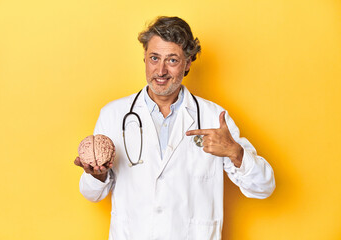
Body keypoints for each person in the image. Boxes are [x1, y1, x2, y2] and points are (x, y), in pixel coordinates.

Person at [74, 16, 275, 240]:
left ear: (188, 63)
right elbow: (92, 194)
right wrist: (97, 175)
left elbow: (263, 187)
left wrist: (235, 152)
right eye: (154, 58)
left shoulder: (214, 118)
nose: (160, 71)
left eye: (172, 60)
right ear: (144, 58)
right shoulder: (113, 114)